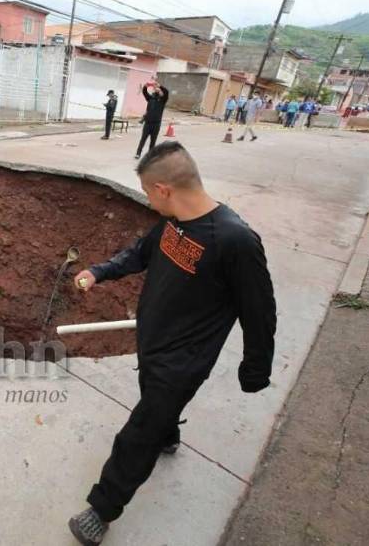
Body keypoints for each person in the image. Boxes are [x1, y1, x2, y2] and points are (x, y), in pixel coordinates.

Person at [67, 141, 276, 546]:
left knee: (138, 434)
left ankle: (103, 509)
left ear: (163, 188)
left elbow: (260, 312)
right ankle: (168, 432)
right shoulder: (175, 221)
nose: (147, 199)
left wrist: (255, 370)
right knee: (157, 416)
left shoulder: (235, 241)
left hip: (182, 363)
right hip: (154, 343)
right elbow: (139, 254)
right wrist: (97, 272)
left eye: (147, 191)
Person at [135, 80, 169, 160]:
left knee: (153, 141)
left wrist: (159, 86)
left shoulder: (162, 101)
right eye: (156, 90)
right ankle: (138, 153)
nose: (157, 91)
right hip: (147, 123)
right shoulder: (150, 98)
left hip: (156, 124)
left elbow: (166, 92)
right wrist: (146, 86)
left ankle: (150, 156)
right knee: (143, 139)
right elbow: (144, 92)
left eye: (159, 91)